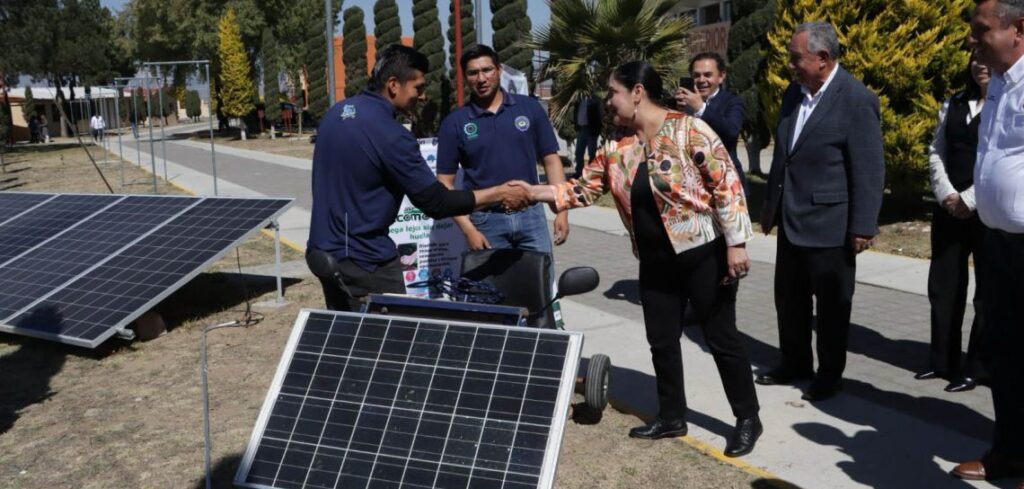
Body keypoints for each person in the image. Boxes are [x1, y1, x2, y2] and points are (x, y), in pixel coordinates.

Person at [521, 61, 762, 457]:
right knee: (661, 341)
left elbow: (727, 184)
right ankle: (671, 416)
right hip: (654, 261)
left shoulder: (688, 129)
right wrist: (534, 192)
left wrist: (737, 243)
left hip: (703, 254)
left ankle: (748, 418)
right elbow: (582, 189)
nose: (607, 101)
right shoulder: (617, 148)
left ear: (637, 92)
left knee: (722, 339)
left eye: (612, 93)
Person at [306, 44, 530, 312]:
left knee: (344, 332)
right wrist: (499, 193)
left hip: (323, 253)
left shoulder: (336, 114)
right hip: (365, 262)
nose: (422, 96)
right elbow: (436, 203)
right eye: (418, 88)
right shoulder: (391, 134)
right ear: (393, 85)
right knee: (390, 336)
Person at [755, 21, 885, 401]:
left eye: (796, 58)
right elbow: (783, 156)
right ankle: (794, 362)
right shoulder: (793, 94)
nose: (790, 65)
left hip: (831, 225)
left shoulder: (856, 99)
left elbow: (869, 168)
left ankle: (829, 374)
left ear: (823, 58)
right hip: (791, 218)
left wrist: (863, 226)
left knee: (830, 308)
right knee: (789, 301)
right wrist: (770, 206)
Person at [951, 0, 1024, 485]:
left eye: (982, 29)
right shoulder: (997, 82)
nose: (973, 39)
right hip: (996, 242)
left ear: (1019, 29)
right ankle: (1008, 454)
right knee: (1003, 353)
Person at [437, 44, 570, 269]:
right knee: (490, 290)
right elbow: (444, 184)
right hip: (486, 222)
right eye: (473, 73)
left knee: (539, 286)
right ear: (465, 77)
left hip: (532, 217)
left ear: (499, 70)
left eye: (487, 70)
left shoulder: (529, 108)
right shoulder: (454, 123)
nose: (481, 78)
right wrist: (468, 229)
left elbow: (551, 160)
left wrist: (562, 210)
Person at [915, 54, 991, 393]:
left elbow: (1005, 159)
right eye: (976, 59)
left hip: (987, 213)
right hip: (949, 210)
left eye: (987, 59)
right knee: (944, 288)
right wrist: (947, 193)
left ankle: (977, 368)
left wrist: (969, 199)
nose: (980, 65)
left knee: (987, 294)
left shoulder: (1008, 104)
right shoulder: (954, 103)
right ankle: (942, 361)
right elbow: (937, 150)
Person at [675, 52, 748, 193]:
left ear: (721, 76)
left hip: (726, 183)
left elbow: (731, 131)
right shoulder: (682, 104)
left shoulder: (733, 102)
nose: (701, 80)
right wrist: (676, 112)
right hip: (690, 185)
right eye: (696, 75)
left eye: (707, 75)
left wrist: (700, 108)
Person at [573, 94, 602, 178]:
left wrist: (597, 130)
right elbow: (576, 112)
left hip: (590, 129)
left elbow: (599, 115)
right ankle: (579, 172)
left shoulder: (594, 100)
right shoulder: (579, 99)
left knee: (591, 153)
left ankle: (590, 173)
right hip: (581, 129)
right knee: (578, 152)